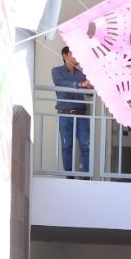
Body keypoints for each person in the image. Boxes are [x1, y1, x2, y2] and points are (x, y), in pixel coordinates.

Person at [51, 46, 93, 174]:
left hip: (81, 114)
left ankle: (86, 177)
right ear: (65, 55)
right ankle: (69, 176)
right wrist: (80, 85)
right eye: (73, 53)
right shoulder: (57, 71)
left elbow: (90, 94)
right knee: (66, 146)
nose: (76, 55)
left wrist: (90, 86)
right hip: (65, 114)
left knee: (86, 146)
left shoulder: (82, 73)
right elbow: (60, 83)